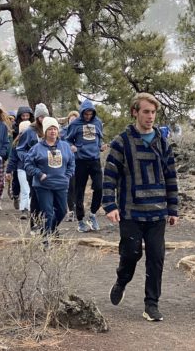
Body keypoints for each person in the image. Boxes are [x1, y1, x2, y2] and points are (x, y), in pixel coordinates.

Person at [103, 92, 178, 322]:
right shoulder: (121, 142)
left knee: (156, 257)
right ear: (135, 112)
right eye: (146, 111)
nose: (150, 116)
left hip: (157, 212)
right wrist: (110, 205)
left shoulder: (162, 143)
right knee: (130, 253)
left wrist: (173, 208)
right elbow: (110, 175)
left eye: (153, 112)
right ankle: (122, 280)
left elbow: (171, 176)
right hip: (130, 212)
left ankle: (151, 304)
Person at [25, 117, 75, 241]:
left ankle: (48, 230)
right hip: (43, 185)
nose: (53, 131)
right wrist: (39, 174)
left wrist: (67, 176)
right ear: (45, 132)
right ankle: (46, 240)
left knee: (62, 211)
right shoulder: (37, 148)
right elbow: (28, 164)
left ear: (58, 131)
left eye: (55, 129)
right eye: (50, 129)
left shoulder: (65, 146)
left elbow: (71, 163)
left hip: (61, 184)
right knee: (48, 212)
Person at [65, 100, 105, 233]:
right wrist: (72, 147)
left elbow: (99, 138)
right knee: (79, 191)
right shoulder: (75, 124)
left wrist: (101, 147)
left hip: (95, 160)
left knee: (99, 187)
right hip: (80, 160)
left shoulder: (97, 122)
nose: (88, 116)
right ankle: (81, 220)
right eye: (86, 114)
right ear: (82, 113)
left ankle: (93, 215)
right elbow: (67, 139)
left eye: (90, 114)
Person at [17, 103, 49, 233]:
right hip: (34, 170)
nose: (42, 119)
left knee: (47, 198)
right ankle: (35, 225)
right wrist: (29, 159)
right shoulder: (30, 131)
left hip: (49, 169)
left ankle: (47, 225)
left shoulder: (51, 129)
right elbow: (20, 149)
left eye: (44, 116)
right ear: (36, 118)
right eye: (40, 116)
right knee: (35, 196)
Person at [6, 120, 32, 219]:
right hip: (21, 169)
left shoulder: (35, 142)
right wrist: (9, 171)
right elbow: (12, 158)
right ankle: (24, 210)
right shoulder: (16, 144)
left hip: (33, 169)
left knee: (31, 190)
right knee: (25, 189)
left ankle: (31, 209)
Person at [60, 110, 79, 222]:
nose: (73, 121)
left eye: (75, 119)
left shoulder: (81, 131)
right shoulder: (63, 132)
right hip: (67, 163)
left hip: (80, 162)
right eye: (71, 119)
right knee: (70, 187)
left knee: (78, 187)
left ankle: (78, 209)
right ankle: (71, 210)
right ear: (68, 120)